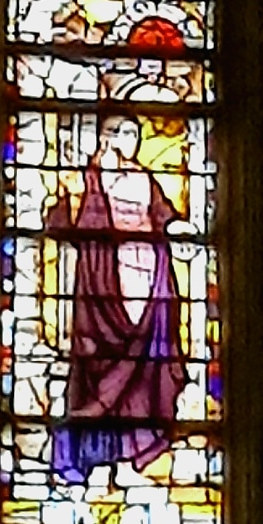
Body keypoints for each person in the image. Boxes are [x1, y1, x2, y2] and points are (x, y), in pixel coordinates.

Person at [46, 110, 187, 484]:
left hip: (147, 277)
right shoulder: (87, 180)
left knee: (146, 366)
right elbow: (61, 226)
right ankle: (94, 455)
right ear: (104, 137)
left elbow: (162, 216)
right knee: (99, 364)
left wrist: (177, 227)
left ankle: (134, 451)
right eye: (120, 132)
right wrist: (78, 194)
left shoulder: (144, 179)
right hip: (103, 287)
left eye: (133, 134)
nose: (128, 141)